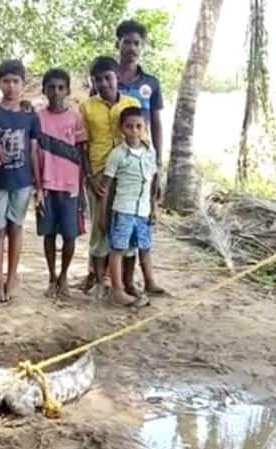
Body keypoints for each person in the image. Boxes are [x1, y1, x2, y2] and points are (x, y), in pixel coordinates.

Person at [0, 59, 42, 302]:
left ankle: (12, 277)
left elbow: (34, 151)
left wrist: (38, 184)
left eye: (16, 81)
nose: (11, 86)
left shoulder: (30, 116)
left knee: (16, 228)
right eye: (6, 81)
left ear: (23, 84)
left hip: (22, 182)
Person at [79, 56, 140, 301]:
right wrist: (88, 177)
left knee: (126, 226)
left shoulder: (131, 103)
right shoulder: (86, 107)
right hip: (98, 174)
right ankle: (97, 277)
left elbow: (141, 138)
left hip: (127, 177)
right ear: (93, 82)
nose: (104, 83)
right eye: (98, 79)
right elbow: (82, 146)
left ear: (117, 78)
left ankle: (127, 280)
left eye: (108, 78)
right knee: (99, 226)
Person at [114, 19, 166, 296]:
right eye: (127, 42)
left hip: (143, 160)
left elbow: (156, 122)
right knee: (113, 219)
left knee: (139, 219)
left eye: (137, 43)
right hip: (116, 159)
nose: (132, 48)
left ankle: (132, 280)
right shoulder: (108, 77)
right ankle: (105, 280)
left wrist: (158, 157)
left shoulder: (151, 83)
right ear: (118, 44)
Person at [100, 107, 164, 306]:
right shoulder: (118, 155)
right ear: (122, 129)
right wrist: (103, 215)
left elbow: (153, 180)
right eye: (129, 127)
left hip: (143, 210)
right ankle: (117, 290)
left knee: (144, 247)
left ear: (144, 128)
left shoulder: (149, 152)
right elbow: (106, 187)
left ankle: (150, 282)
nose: (134, 131)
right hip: (124, 210)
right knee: (118, 249)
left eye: (139, 126)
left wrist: (154, 207)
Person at [35, 68, 87, 300]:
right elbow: (34, 152)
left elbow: (81, 152)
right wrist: (37, 187)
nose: (55, 92)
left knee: (69, 235)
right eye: (51, 87)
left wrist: (82, 186)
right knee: (48, 234)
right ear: (44, 90)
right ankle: (51, 277)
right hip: (47, 185)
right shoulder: (38, 117)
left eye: (60, 87)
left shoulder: (75, 117)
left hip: (70, 186)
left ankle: (64, 276)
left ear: (67, 90)